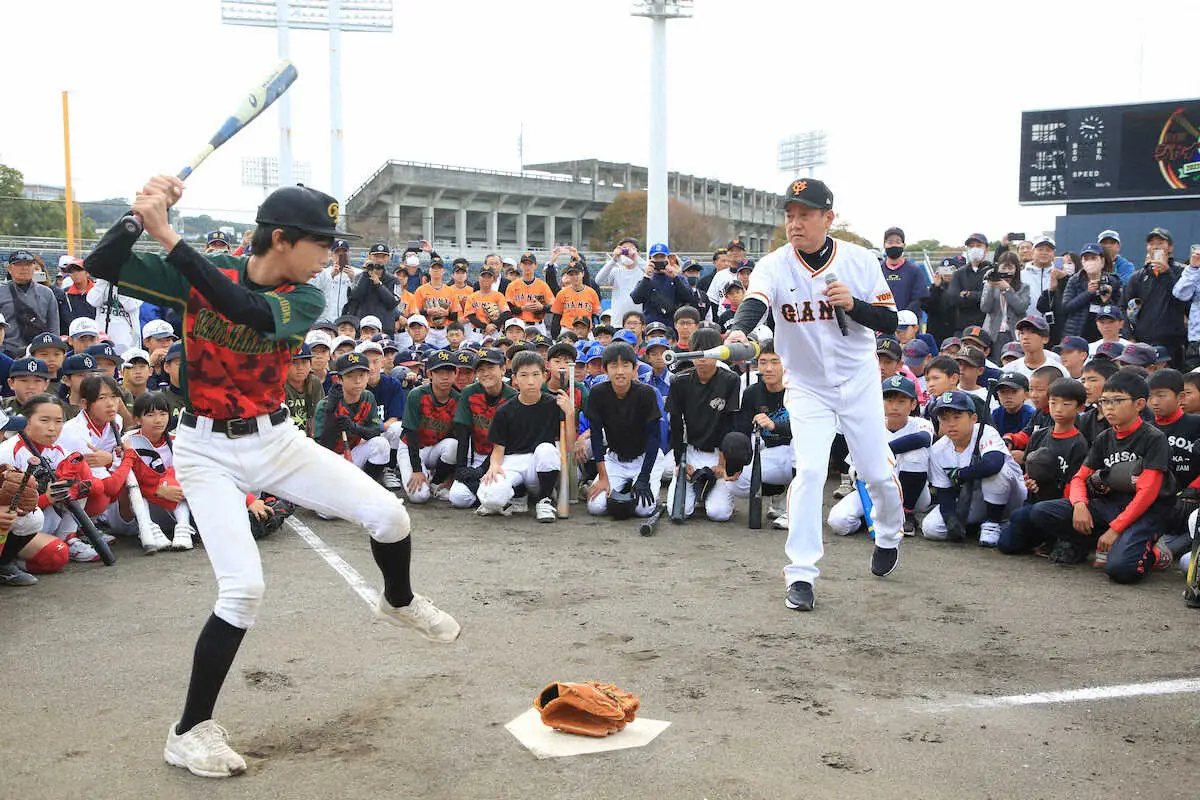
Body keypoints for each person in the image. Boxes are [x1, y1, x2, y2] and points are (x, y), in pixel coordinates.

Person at [83, 176, 459, 778]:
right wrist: (139, 216)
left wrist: (171, 237)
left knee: (390, 516)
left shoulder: (304, 297)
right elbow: (102, 262)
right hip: (205, 449)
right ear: (281, 238)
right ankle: (189, 732)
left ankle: (400, 599)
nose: (332, 256)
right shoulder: (202, 268)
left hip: (278, 439)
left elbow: (248, 311)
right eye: (322, 243)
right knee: (243, 589)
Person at [1024, 371, 1170, 580]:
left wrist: (1116, 529)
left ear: (1139, 404)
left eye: (1117, 401)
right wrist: (1080, 505)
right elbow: (1079, 477)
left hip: (1144, 513)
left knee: (1120, 571)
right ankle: (1091, 543)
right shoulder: (1104, 437)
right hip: (1107, 506)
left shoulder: (1153, 438)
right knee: (1042, 511)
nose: (1109, 407)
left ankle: (1154, 552)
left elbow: (1148, 492)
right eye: (1104, 401)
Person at [827, 375, 932, 537]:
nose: (894, 406)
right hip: (875, 490)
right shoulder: (869, 425)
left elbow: (922, 439)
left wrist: (878, 451)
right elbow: (853, 463)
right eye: (888, 400)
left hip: (913, 495)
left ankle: (907, 513)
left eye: (901, 401)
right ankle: (870, 519)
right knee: (838, 522)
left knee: (916, 451)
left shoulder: (921, 423)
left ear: (913, 404)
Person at [477, 350, 574, 522]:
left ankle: (544, 500)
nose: (530, 381)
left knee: (547, 449)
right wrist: (493, 466)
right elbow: (499, 449)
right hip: (513, 461)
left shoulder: (555, 404)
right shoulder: (504, 410)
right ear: (514, 379)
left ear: (544, 376)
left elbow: (570, 446)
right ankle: (516, 495)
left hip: (538, 465)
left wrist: (569, 413)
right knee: (491, 497)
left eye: (535, 374)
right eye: (524, 375)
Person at [997, 377, 1089, 556]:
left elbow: (1074, 484)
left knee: (1021, 516)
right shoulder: (1039, 435)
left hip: (1058, 505)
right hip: (1035, 499)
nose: (1059, 409)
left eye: (1066, 404)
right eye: (1054, 403)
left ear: (1079, 408)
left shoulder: (1079, 443)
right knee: (1007, 544)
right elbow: (1028, 472)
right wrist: (1029, 481)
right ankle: (1041, 538)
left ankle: (1065, 538)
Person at [922, 390, 1027, 545]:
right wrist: (950, 519)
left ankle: (993, 522)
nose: (951, 423)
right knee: (931, 528)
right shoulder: (938, 450)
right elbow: (944, 492)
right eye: (944, 418)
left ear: (973, 418)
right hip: (976, 498)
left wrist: (960, 474)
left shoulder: (985, 432)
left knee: (996, 474)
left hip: (1012, 496)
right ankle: (977, 527)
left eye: (957, 417)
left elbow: (993, 464)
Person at [664, 328, 740, 523]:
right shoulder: (679, 381)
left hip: (718, 453)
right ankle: (697, 491)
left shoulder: (730, 380)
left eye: (708, 351)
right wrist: (680, 461)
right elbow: (676, 424)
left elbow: (730, 424)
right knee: (677, 511)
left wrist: (723, 464)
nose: (702, 357)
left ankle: (710, 494)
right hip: (691, 450)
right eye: (697, 350)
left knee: (718, 513)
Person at [584, 342, 662, 518]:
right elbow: (596, 435)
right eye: (614, 366)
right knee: (595, 507)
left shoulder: (646, 393)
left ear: (635, 368)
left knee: (644, 510)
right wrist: (603, 476)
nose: (620, 371)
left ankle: (632, 486)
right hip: (615, 458)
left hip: (645, 458)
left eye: (625, 365)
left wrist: (644, 477)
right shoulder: (598, 392)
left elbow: (654, 438)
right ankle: (623, 487)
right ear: (605, 369)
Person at [731, 342, 794, 525]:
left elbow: (807, 428)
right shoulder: (752, 392)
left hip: (798, 451)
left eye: (775, 362)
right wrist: (733, 459)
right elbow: (742, 430)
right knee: (734, 483)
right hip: (771, 452)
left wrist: (775, 425)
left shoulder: (799, 389)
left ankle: (796, 509)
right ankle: (779, 491)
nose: (768, 368)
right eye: (763, 362)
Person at [448, 347, 517, 510]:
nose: (485, 373)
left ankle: (514, 493)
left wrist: (481, 471)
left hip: (505, 457)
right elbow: (463, 432)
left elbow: (507, 442)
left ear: (503, 369)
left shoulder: (513, 396)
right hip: (479, 454)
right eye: (481, 369)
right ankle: (491, 495)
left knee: (493, 494)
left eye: (491, 368)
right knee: (458, 497)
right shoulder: (469, 392)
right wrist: (461, 468)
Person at [397, 350, 460, 504]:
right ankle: (414, 471)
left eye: (449, 372)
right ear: (430, 374)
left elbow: (460, 435)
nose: (445, 377)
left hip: (436, 447)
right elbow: (410, 433)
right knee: (419, 497)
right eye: (439, 372)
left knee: (454, 446)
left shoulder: (458, 398)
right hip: (411, 447)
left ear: (455, 373)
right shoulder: (417, 394)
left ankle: (436, 482)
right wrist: (417, 470)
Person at [1124, 227, 1188, 364]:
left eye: (1160, 243)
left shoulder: (1183, 273)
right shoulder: (1137, 277)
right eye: (1151, 243)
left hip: (1172, 344)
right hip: (1143, 342)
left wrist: (1166, 273)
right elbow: (1123, 306)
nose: (1155, 247)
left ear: (1170, 248)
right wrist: (1129, 336)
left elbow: (1183, 301)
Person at [0, 251, 61, 358]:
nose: (24, 268)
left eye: (28, 264)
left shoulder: (46, 293)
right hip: (7, 353)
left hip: (38, 353)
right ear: (10, 269)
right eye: (19, 264)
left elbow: (54, 328)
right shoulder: (1, 292)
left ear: (34, 267)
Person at [1061, 243, 1122, 341]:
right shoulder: (1075, 280)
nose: (1090, 262)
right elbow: (1066, 307)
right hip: (1078, 332)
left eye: (1093, 258)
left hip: (1103, 333)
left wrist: (1106, 301)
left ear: (1102, 261)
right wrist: (1088, 293)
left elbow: (1119, 310)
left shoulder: (1112, 281)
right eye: (1086, 259)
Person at [979, 252, 1029, 347]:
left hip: (1015, 333)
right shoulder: (990, 286)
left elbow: (1021, 309)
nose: (1006, 271)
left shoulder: (1024, 287)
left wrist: (1007, 289)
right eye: (1003, 268)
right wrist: (990, 284)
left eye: (1010, 268)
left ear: (1016, 269)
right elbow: (985, 308)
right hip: (994, 332)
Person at [346, 249, 401, 335]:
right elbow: (355, 298)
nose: (379, 260)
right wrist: (365, 274)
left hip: (384, 328)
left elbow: (393, 302)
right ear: (369, 257)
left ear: (387, 258)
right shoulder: (359, 277)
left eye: (383, 257)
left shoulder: (394, 280)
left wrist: (378, 284)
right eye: (376, 256)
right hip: (363, 328)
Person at [879, 227, 929, 317]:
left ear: (903, 245)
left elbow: (919, 299)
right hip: (882, 323)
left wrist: (903, 317)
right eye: (890, 242)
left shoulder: (914, 270)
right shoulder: (877, 270)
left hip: (909, 324)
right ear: (884, 245)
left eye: (898, 242)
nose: (894, 245)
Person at [596, 238, 647, 324]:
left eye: (631, 249)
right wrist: (614, 259)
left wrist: (636, 258)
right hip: (618, 321)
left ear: (638, 252)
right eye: (624, 249)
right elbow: (598, 280)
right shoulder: (615, 271)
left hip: (638, 321)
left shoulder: (643, 271)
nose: (627, 253)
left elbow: (652, 273)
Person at [947, 234, 991, 331]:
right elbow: (953, 298)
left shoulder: (992, 271)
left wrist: (967, 294)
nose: (975, 249)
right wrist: (979, 297)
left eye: (978, 246)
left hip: (988, 327)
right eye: (971, 246)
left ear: (987, 248)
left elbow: (991, 298)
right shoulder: (959, 273)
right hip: (963, 327)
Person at [410, 257, 457, 347]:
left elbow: (456, 315)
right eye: (434, 268)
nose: (436, 270)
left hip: (445, 330)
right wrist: (428, 312)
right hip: (428, 330)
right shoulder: (421, 290)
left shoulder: (450, 291)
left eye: (439, 268)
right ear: (429, 271)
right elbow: (415, 313)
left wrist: (446, 313)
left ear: (443, 271)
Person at [309, 238, 359, 323]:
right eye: (337, 252)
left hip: (348, 320)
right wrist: (331, 276)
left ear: (348, 254)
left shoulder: (358, 273)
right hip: (327, 319)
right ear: (332, 255)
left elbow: (361, 295)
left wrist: (353, 279)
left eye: (344, 252)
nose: (340, 255)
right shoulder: (324, 273)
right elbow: (314, 291)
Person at [549, 259, 601, 338]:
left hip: (586, 330)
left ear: (583, 274)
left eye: (577, 274)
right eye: (571, 274)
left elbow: (595, 315)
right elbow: (556, 317)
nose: (574, 277)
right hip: (567, 329)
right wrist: (554, 336)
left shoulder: (592, 293)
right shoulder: (562, 293)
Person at [505, 252, 555, 333]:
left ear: (535, 265)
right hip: (520, 326)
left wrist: (542, 307)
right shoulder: (512, 286)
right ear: (520, 265)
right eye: (525, 264)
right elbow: (508, 309)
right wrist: (522, 308)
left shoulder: (542, 285)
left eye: (530, 264)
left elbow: (554, 307)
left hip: (538, 325)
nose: (527, 267)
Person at [1007, 314, 1065, 379]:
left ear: (1045, 339)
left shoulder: (1058, 370)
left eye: (1032, 332)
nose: (1025, 337)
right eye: (1022, 333)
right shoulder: (1009, 370)